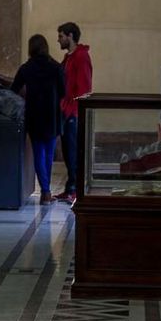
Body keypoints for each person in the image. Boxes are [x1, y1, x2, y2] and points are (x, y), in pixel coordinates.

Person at [12, 34, 66, 205]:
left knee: (38, 153)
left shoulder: (26, 68)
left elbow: (14, 89)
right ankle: (46, 189)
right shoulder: (56, 67)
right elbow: (64, 92)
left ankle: (45, 190)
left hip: (34, 115)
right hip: (52, 115)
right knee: (49, 154)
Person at [57, 22, 92, 203]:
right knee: (68, 151)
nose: (58, 40)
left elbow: (84, 87)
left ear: (70, 36)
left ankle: (75, 189)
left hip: (73, 112)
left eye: (61, 36)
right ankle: (70, 187)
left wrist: (73, 110)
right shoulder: (68, 57)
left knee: (73, 152)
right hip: (66, 110)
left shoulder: (81, 56)